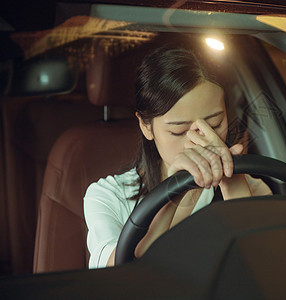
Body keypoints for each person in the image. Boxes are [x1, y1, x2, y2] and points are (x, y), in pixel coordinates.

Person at [83, 34, 272, 269]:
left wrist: (233, 184)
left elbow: (264, 268)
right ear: (146, 126)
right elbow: (115, 281)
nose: (198, 142)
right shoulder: (108, 197)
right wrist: (173, 190)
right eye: (179, 131)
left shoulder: (249, 185)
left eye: (214, 125)